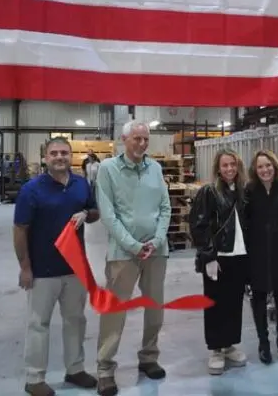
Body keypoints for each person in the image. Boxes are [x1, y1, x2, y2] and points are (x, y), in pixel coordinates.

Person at [13, 137, 99, 396]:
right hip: (43, 270)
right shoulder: (31, 189)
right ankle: (34, 377)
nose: (60, 157)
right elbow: (20, 229)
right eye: (54, 153)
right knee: (39, 323)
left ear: (70, 156)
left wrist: (86, 214)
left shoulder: (81, 184)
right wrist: (25, 267)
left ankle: (74, 369)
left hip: (74, 268)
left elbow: (94, 212)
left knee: (75, 320)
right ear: (45, 158)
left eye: (64, 152)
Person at [94, 121, 171, 396]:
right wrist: (133, 245)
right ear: (123, 139)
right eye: (136, 138)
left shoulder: (156, 168)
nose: (141, 144)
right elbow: (107, 213)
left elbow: (165, 206)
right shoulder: (108, 169)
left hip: (156, 252)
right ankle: (105, 369)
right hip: (122, 254)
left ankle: (149, 357)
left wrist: (158, 239)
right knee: (115, 311)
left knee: (155, 308)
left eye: (145, 139)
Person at [190, 149, 250, 375]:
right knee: (215, 304)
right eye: (225, 165)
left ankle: (229, 344)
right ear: (218, 168)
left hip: (239, 255)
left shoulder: (242, 191)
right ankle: (215, 349)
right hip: (218, 257)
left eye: (233, 165)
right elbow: (199, 225)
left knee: (234, 303)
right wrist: (208, 256)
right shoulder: (209, 191)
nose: (229, 169)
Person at [245, 150, 278, 364]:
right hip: (256, 252)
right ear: (255, 170)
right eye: (260, 167)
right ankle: (263, 343)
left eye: (268, 165)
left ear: (274, 166)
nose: (265, 170)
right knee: (257, 299)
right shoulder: (249, 190)